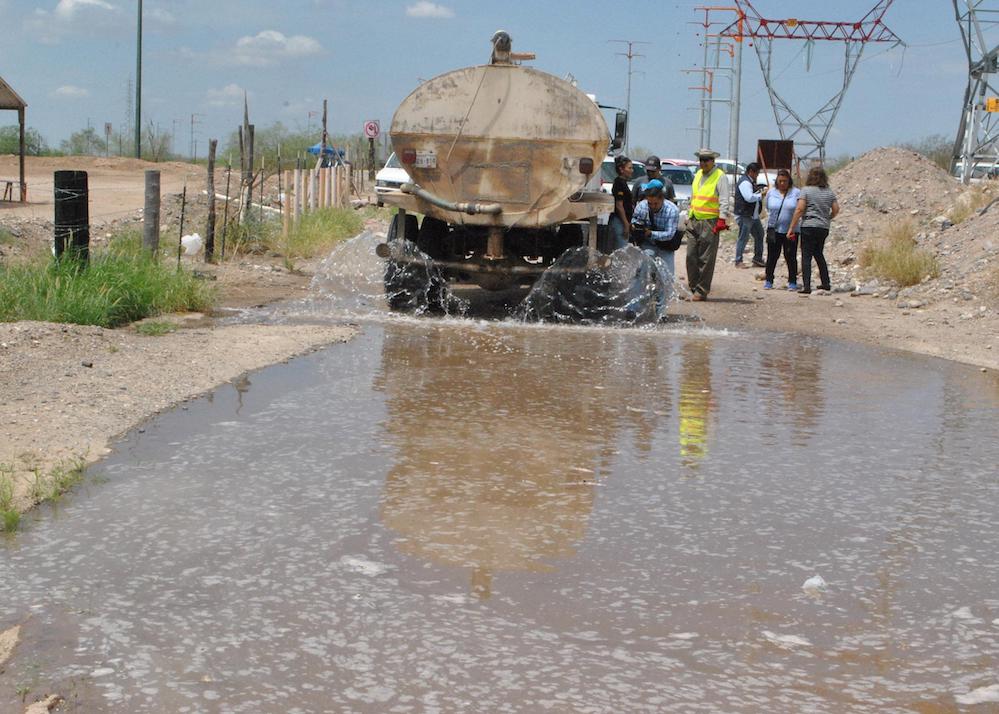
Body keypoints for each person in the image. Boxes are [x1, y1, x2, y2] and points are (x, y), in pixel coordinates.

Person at [686, 148, 731, 301]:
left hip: (709, 221)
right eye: (701, 160)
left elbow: (724, 199)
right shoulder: (698, 175)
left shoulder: (720, 176)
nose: (703, 163)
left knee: (706, 259)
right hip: (694, 219)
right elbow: (694, 196)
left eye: (707, 160)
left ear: (713, 161)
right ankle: (693, 287)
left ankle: (701, 290)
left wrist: (722, 219)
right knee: (690, 256)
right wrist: (688, 214)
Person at [787, 166, 839, 295]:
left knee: (806, 256)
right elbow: (836, 209)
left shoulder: (806, 191)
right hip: (823, 227)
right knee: (819, 254)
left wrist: (791, 228)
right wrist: (827, 218)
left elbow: (799, 209)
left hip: (809, 226)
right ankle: (826, 283)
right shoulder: (829, 192)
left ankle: (807, 286)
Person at [762, 169, 801, 290]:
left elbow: (799, 209)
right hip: (774, 229)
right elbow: (768, 207)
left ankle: (792, 281)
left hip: (791, 230)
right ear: (777, 181)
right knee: (772, 256)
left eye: (784, 181)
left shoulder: (796, 193)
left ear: (789, 181)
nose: (782, 183)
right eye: (780, 181)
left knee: (790, 256)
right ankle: (769, 280)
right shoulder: (771, 193)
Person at [733, 162, 766, 268]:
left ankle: (758, 258)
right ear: (751, 172)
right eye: (757, 173)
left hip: (752, 215)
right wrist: (761, 195)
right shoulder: (745, 183)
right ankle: (738, 260)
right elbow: (749, 197)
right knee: (743, 237)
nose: (757, 175)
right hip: (745, 215)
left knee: (760, 234)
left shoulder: (751, 182)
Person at [609, 155, 634, 250]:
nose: (632, 170)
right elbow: (619, 205)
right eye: (629, 168)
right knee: (621, 251)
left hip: (624, 221)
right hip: (619, 221)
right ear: (621, 169)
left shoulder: (623, 183)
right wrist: (626, 224)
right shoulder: (619, 183)